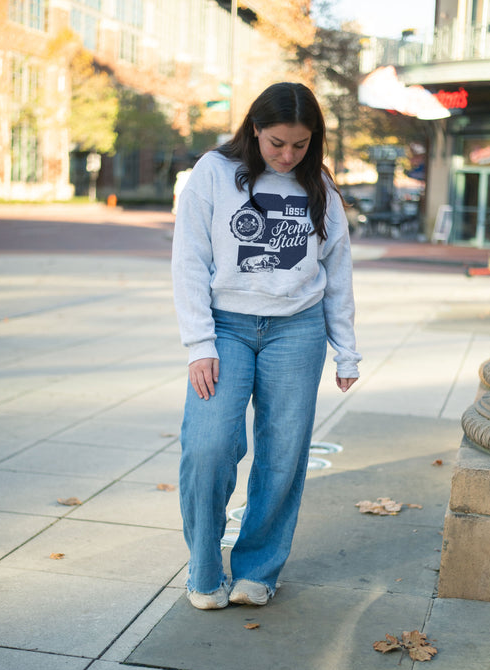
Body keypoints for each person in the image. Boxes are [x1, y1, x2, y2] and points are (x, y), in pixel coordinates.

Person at [171, 82, 361, 610]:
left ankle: (258, 568)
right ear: (254, 129)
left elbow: (337, 270)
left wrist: (346, 348)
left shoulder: (318, 183)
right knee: (208, 447)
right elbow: (188, 260)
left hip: (297, 330)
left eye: (300, 145)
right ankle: (205, 569)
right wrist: (199, 344)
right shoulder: (213, 172)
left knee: (282, 455)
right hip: (226, 327)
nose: (287, 155)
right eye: (277, 142)